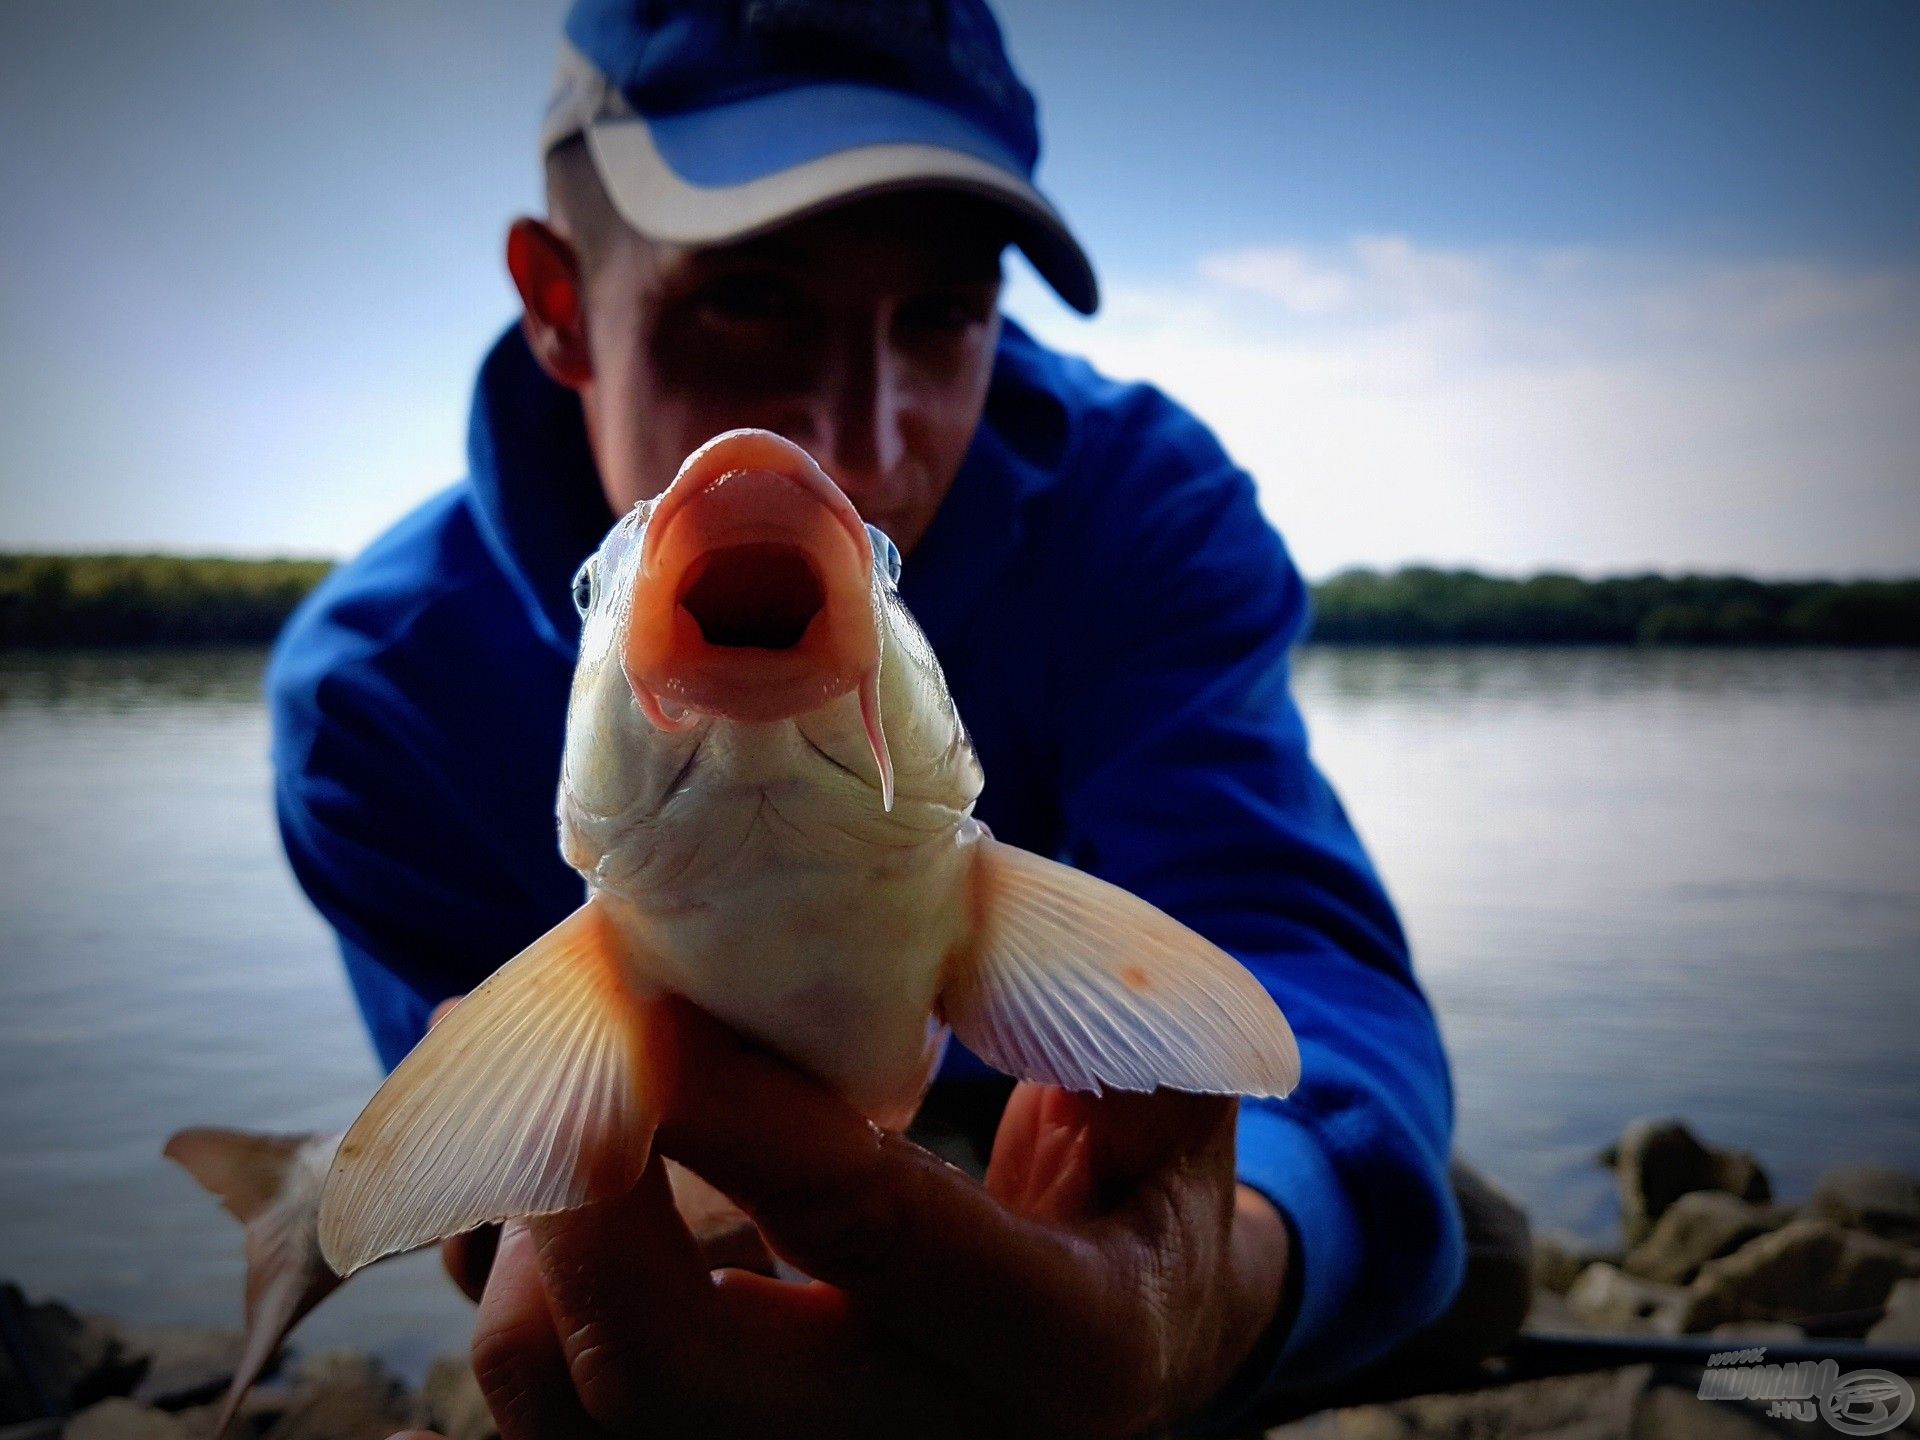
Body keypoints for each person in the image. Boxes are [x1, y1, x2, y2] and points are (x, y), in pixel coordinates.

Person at [270, 1, 1511, 1434]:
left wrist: (1215, 1280)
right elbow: (506, 1172)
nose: (854, 443)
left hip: (1055, 1130)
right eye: (746, 299)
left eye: (943, 312)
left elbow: (1288, 956)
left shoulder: (1148, 509)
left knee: (1464, 1248)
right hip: (699, 1185)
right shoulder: (372, 699)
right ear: (557, 301)